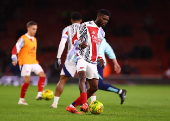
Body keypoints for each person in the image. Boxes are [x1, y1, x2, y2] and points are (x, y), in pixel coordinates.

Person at [66, 9, 109, 114]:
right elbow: (74, 39)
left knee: (94, 87)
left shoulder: (102, 32)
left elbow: (97, 46)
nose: (105, 21)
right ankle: (85, 104)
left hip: (93, 61)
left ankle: (71, 106)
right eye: (103, 18)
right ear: (98, 16)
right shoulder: (86, 25)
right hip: (82, 57)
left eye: (107, 20)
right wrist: (79, 44)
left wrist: (99, 57)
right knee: (82, 78)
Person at [50, 12, 82, 108]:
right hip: (84, 58)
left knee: (62, 80)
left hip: (71, 57)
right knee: (88, 81)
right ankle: (89, 103)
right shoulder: (86, 28)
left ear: (71, 20)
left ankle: (55, 103)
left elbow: (62, 43)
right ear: (81, 21)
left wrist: (58, 57)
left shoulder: (67, 29)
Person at [11, 21, 46, 105]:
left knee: (42, 75)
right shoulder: (23, 38)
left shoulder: (35, 39)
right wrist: (14, 58)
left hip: (33, 62)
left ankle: (39, 94)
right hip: (25, 62)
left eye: (36, 29)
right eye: (33, 29)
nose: (35, 31)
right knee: (27, 81)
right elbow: (15, 49)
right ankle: (21, 99)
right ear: (28, 28)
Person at [88, 38, 127, 104]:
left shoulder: (100, 38)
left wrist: (115, 63)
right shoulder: (95, 36)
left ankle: (120, 91)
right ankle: (91, 103)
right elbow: (109, 50)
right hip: (89, 62)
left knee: (98, 84)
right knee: (89, 83)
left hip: (98, 63)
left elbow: (109, 50)